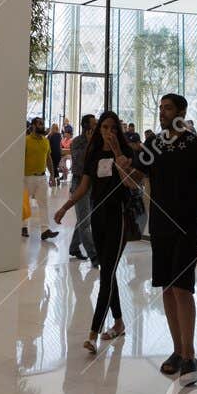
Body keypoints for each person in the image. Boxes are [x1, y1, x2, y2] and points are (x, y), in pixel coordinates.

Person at [138, 93, 197, 383]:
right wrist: (116, 152)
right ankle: (176, 350)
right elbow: (135, 177)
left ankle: (189, 354)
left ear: (181, 112)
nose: (162, 112)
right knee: (167, 288)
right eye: (160, 107)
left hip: (188, 226)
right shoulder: (154, 144)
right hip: (159, 226)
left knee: (182, 288)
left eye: (168, 108)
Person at [56, 112, 139, 352]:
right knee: (108, 271)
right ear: (98, 129)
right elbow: (84, 186)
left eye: (113, 128)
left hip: (119, 217)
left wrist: (117, 153)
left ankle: (93, 333)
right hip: (99, 217)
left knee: (106, 274)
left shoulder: (126, 154)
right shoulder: (93, 153)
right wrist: (65, 207)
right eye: (104, 127)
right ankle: (119, 322)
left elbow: (131, 183)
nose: (108, 132)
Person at [67, 114, 98, 262]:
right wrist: (89, 143)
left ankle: (74, 247)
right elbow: (80, 162)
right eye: (94, 124)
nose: (96, 126)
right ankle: (94, 255)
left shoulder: (98, 142)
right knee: (85, 221)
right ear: (86, 126)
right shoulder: (77, 142)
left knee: (84, 219)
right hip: (79, 183)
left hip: (93, 184)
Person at [23, 118, 56, 240]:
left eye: (43, 124)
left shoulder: (46, 141)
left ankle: (45, 230)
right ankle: (23, 227)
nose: (42, 126)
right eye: (40, 124)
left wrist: (52, 175)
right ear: (33, 126)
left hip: (42, 177)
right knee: (25, 203)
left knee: (44, 204)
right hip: (27, 177)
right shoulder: (26, 141)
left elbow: (48, 158)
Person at [47, 122, 64, 188]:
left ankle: (53, 179)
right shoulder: (59, 135)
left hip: (52, 153)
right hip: (58, 154)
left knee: (53, 167)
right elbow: (59, 145)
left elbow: (48, 145)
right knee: (54, 167)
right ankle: (56, 179)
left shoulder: (50, 135)